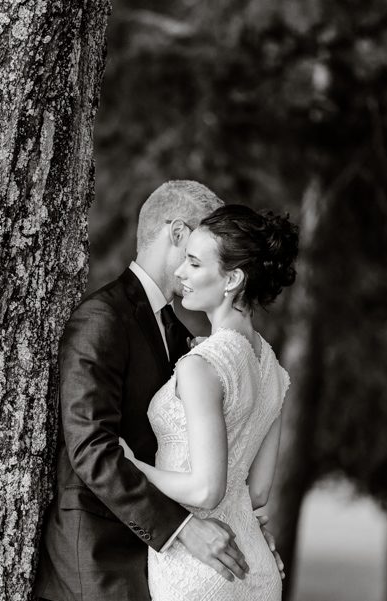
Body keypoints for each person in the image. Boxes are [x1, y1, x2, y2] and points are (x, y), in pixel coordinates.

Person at [34, 182, 282, 601]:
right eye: (202, 244)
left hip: (167, 560)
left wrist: (245, 528)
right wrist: (182, 530)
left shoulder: (189, 340)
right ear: (180, 233)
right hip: (98, 560)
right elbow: (91, 447)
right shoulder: (102, 318)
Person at [120, 203, 298, 600]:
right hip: (255, 564)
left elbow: (206, 491)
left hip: (199, 571)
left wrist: (134, 467)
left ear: (232, 278)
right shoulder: (273, 369)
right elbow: (257, 493)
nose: (181, 273)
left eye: (195, 264)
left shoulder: (201, 366)